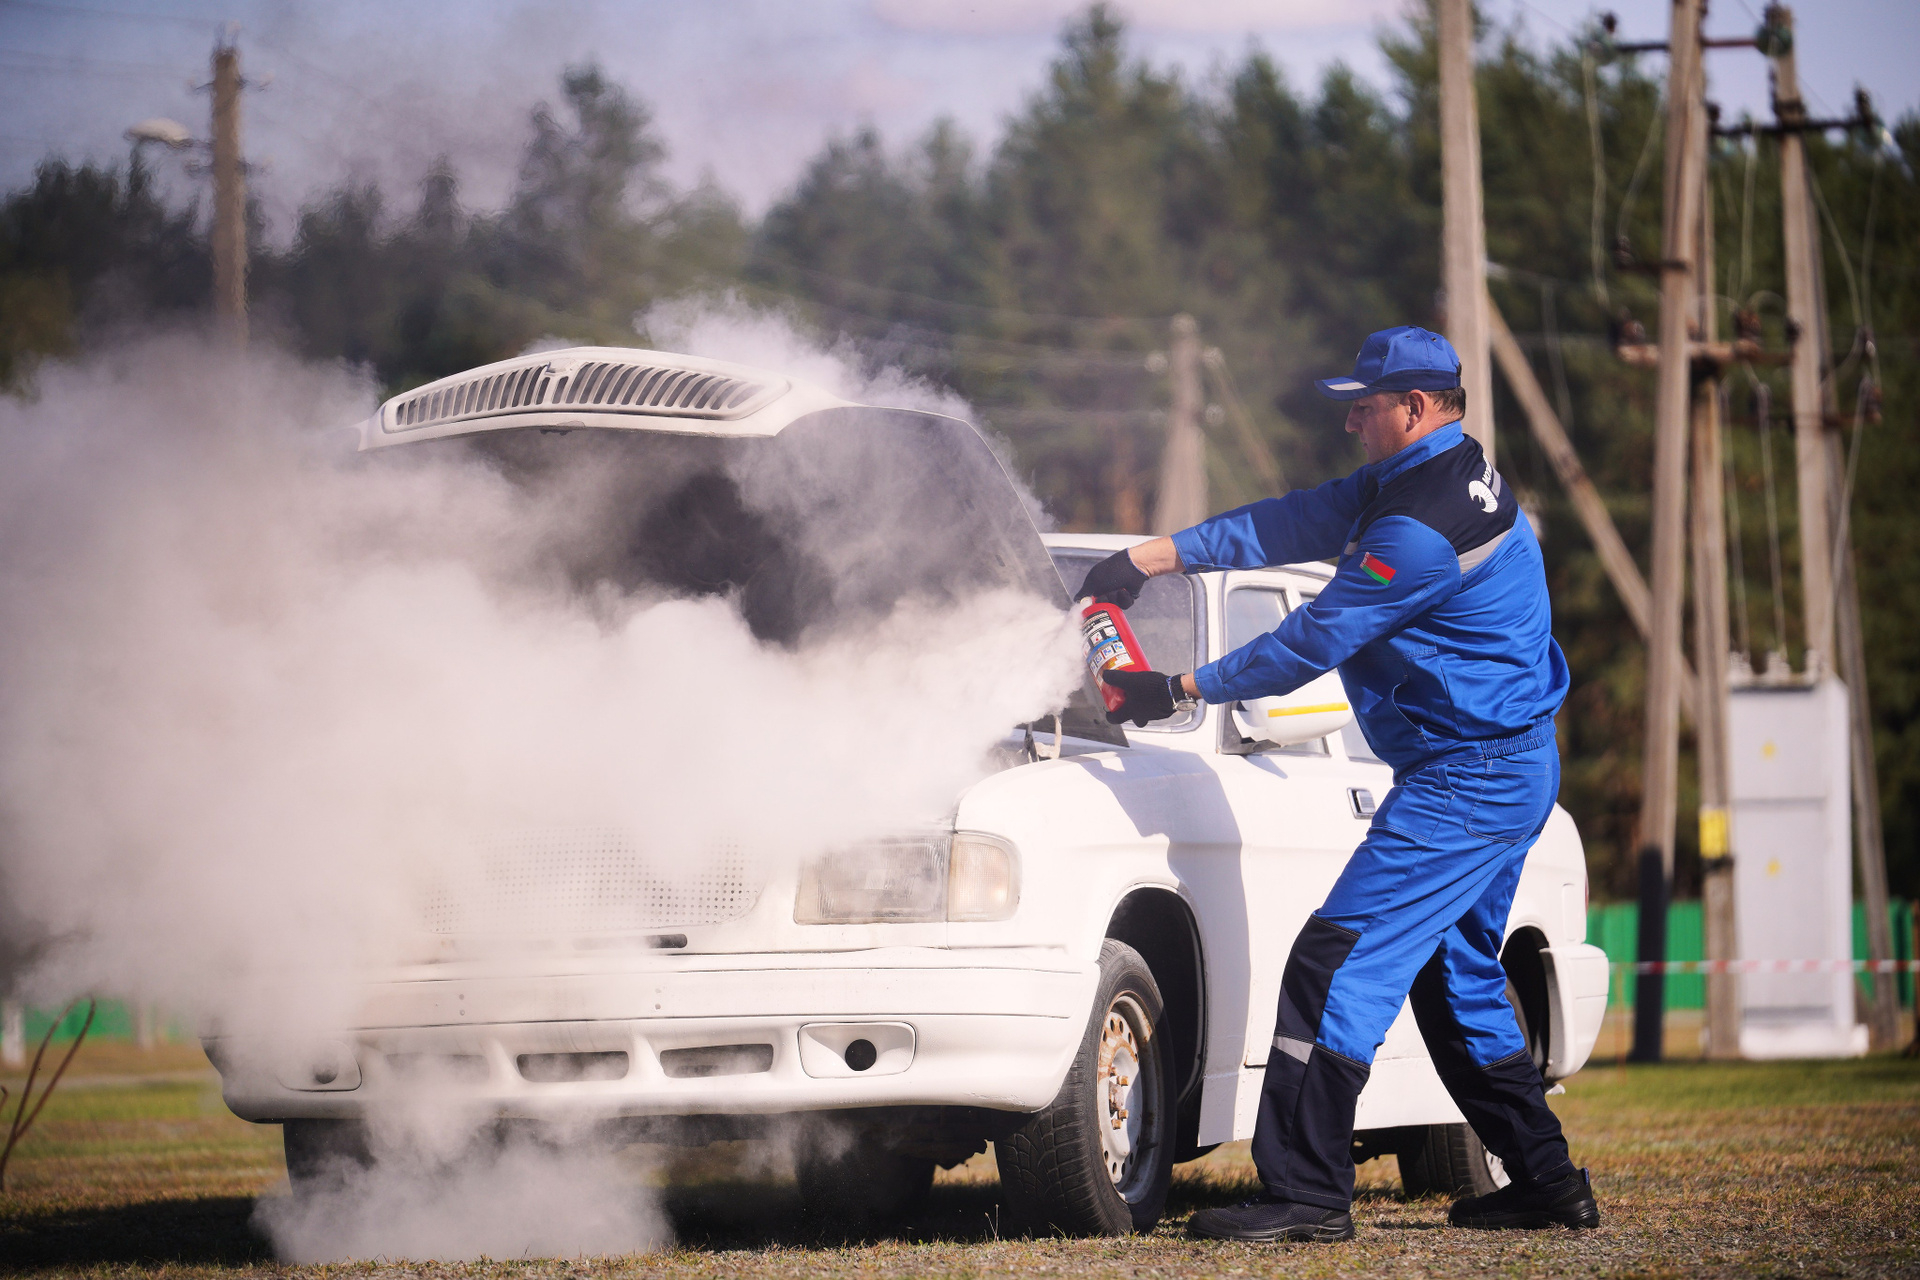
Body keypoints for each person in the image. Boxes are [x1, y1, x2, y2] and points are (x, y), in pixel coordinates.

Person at [1076, 326, 1598, 1243]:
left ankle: (1308, 1195)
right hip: (1501, 763)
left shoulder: (1420, 527)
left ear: (1417, 407)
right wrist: (1149, 559)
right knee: (1458, 979)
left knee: (1333, 962)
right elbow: (1284, 524)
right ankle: (1549, 1184)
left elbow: (1313, 639)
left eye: (1366, 405)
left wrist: (1179, 687)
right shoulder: (1427, 476)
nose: (1351, 420)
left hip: (1469, 776)